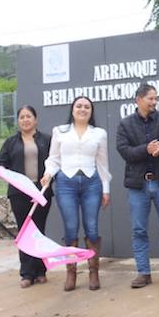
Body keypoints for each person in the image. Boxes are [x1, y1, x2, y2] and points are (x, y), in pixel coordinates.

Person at [42, 96, 111, 291]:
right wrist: (48, 174)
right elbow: (54, 159)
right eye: (78, 106)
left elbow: (102, 163)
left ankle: (93, 271)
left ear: (91, 111)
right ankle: (71, 272)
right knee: (71, 229)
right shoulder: (60, 131)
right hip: (66, 183)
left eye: (87, 107)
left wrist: (106, 189)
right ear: (72, 110)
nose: (82, 109)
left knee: (92, 228)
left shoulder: (99, 133)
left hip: (92, 183)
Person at [116, 83, 159, 288]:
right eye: (151, 98)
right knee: (139, 230)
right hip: (138, 186)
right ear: (139, 100)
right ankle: (143, 272)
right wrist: (146, 149)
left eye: (156, 98)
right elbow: (125, 151)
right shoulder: (125, 124)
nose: (155, 102)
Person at [0, 105, 53, 289]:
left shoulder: (46, 140)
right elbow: (0, 164)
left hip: (41, 192)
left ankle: (40, 271)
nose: (25, 120)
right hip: (19, 193)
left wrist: (49, 179)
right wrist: (3, 172)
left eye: (29, 116)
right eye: (22, 117)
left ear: (35, 120)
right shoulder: (11, 142)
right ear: (18, 121)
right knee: (25, 231)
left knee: (39, 230)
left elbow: (54, 163)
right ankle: (27, 273)